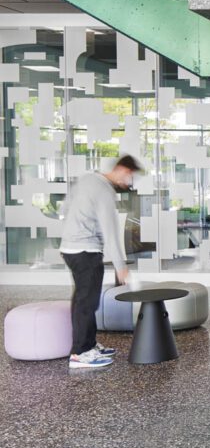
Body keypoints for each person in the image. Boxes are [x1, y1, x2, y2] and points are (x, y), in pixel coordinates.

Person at [60, 155, 142, 369]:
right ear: (122, 170)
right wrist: (121, 267)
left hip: (71, 248)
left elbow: (65, 208)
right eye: (130, 176)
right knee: (86, 302)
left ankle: (89, 344)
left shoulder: (87, 179)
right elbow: (110, 232)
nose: (129, 181)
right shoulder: (105, 191)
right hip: (85, 249)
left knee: (84, 299)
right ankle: (80, 353)